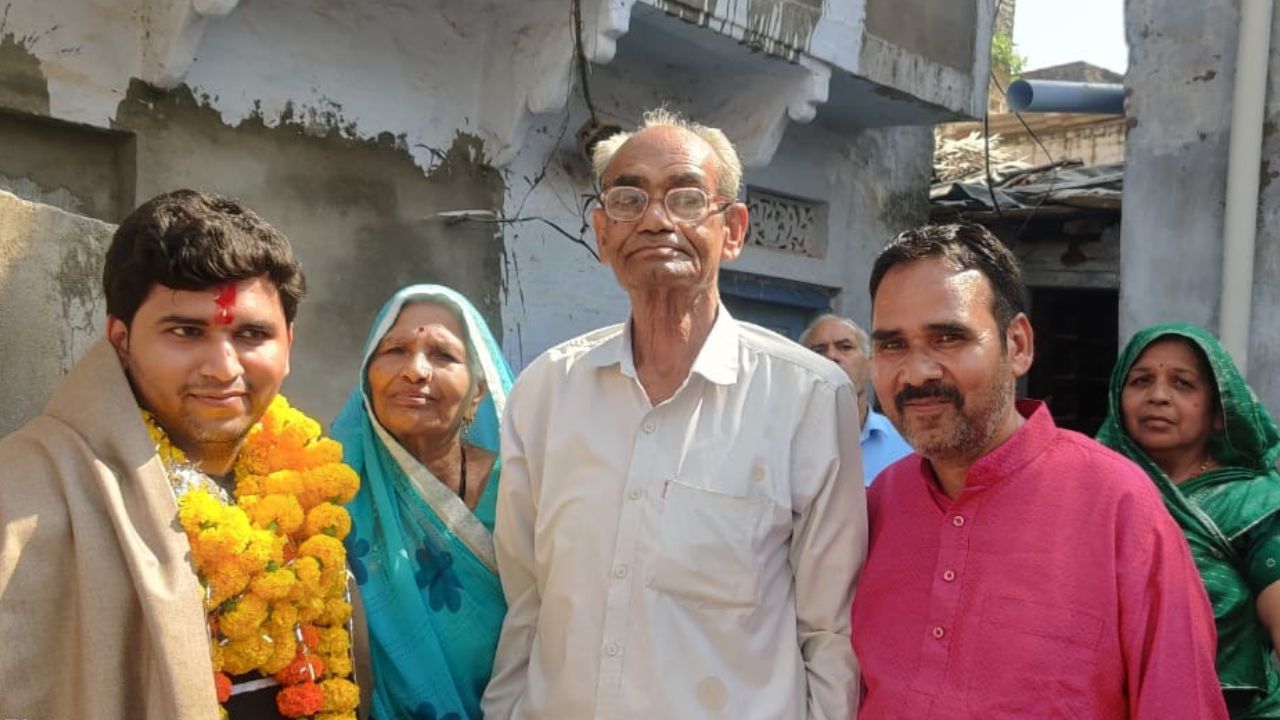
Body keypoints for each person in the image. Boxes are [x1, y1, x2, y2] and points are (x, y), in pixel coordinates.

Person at [481, 109, 866, 720]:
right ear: (602, 233)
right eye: (629, 199)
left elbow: (828, 631)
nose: (656, 219)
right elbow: (527, 602)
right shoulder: (546, 393)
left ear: (733, 229)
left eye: (686, 199)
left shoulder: (809, 399)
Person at [0, 190, 364, 719]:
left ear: (289, 342)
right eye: (186, 331)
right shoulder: (25, 493)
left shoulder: (307, 486)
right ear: (120, 340)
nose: (222, 367)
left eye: (251, 334)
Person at [850, 223, 1226, 719]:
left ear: (1019, 345)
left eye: (948, 337)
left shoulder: (1119, 507)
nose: (918, 372)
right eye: (892, 345)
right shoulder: (878, 505)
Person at [332, 284, 513, 720]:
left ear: (478, 391)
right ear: (366, 376)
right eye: (394, 350)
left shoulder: (523, 487)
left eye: (443, 356)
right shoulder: (329, 490)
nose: (415, 370)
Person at [1097, 323, 1280, 717]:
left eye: (1182, 384)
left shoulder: (1253, 503)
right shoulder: (1091, 491)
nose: (1158, 396)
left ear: (1218, 413)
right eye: (1141, 380)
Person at [801, 314, 912, 483]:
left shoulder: (907, 442)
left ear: (870, 366)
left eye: (845, 347)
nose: (831, 356)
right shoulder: (785, 442)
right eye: (818, 350)